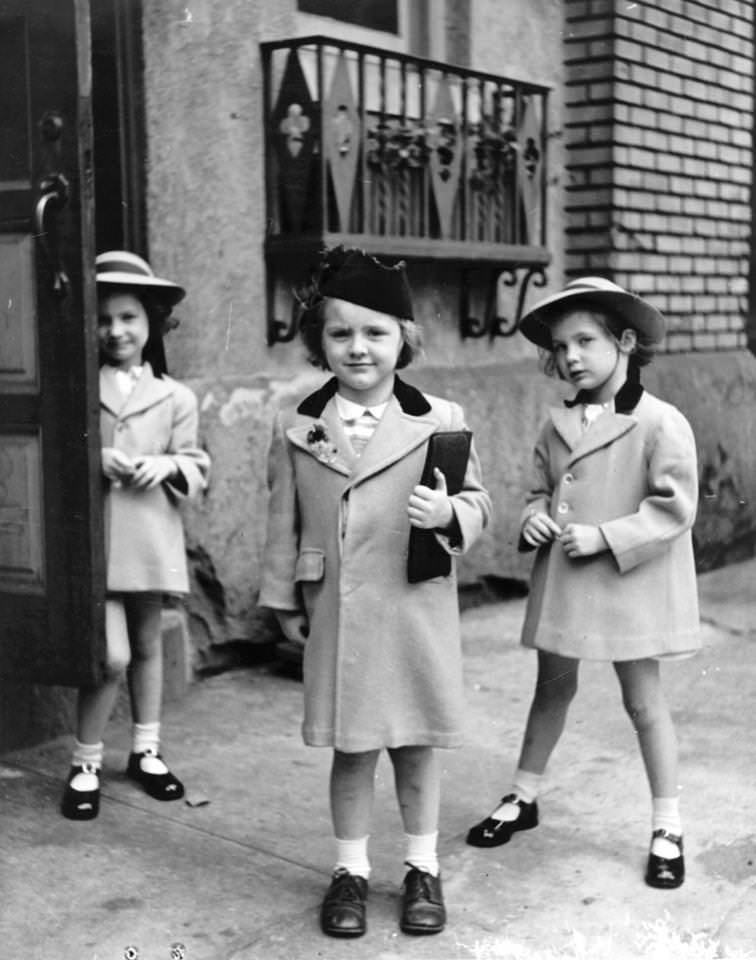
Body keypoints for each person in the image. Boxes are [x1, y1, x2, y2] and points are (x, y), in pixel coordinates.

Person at [259, 246, 492, 938]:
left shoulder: (439, 418)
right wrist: (280, 600)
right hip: (338, 606)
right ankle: (351, 871)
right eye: (340, 333)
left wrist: (449, 514)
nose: (357, 348)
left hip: (414, 604)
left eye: (375, 332)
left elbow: (478, 500)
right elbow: (282, 518)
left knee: (417, 744)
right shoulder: (297, 423)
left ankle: (422, 867)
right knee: (352, 747)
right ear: (319, 342)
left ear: (404, 340)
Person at [466, 277, 700, 890]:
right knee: (552, 687)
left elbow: (675, 508)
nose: (571, 356)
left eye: (586, 341)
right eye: (562, 346)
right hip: (568, 581)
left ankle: (667, 825)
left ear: (625, 341)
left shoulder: (659, 422)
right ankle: (524, 795)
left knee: (643, 701)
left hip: (628, 584)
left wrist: (607, 536)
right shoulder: (557, 421)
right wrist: (533, 516)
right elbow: (536, 489)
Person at [60, 251, 210, 821]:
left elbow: (196, 463)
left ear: (153, 324)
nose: (115, 330)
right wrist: (95, 458)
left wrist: (165, 468)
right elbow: (57, 460)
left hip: (149, 536)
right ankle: (86, 758)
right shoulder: (76, 391)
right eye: (103, 319)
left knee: (148, 644)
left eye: (128, 317)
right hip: (98, 541)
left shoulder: (175, 397)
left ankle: (145, 750)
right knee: (109, 654)